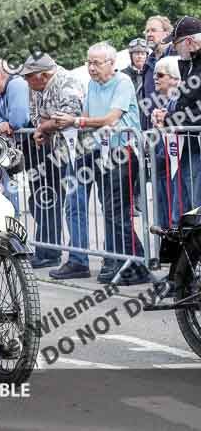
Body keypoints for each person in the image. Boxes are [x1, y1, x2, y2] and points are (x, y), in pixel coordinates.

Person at [52, 42, 149, 285]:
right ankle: (128, 261)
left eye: (96, 63)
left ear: (112, 63)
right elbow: (86, 117)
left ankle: (127, 262)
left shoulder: (123, 82)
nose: (91, 68)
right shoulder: (93, 84)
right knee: (110, 208)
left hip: (123, 150)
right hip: (101, 150)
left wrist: (76, 121)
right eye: (89, 62)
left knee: (117, 209)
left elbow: (110, 119)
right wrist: (66, 122)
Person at [20, 53, 85, 269]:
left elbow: (66, 117)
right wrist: (44, 127)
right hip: (53, 150)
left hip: (78, 151)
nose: (26, 81)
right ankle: (47, 251)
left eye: (29, 77)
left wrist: (42, 128)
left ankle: (76, 258)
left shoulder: (68, 82)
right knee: (43, 200)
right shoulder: (34, 87)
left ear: (44, 75)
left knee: (72, 206)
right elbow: (35, 115)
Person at [155, 16, 201, 218]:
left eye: (177, 44)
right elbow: (187, 105)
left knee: (196, 212)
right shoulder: (189, 64)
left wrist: (169, 119)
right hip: (186, 147)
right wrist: (168, 116)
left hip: (195, 148)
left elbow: (196, 111)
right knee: (183, 214)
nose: (175, 50)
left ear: (189, 41)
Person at [0, 59, 30, 211]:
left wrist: (7, 124)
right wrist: (0, 124)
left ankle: (13, 222)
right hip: (13, 145)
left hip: (27, 146)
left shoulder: (16, 84)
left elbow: (18, 121)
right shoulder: (0, 90)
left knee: (13, 189)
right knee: (6, 188)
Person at [150, 56, 183, 229]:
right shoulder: (170, 100)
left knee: (177, 215)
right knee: (167, 216)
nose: (155, 77)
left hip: (176, 166)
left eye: (160, 74)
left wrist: (163, 123)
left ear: (175, 79)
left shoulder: (178, 99)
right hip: (166, 165)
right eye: (154, 74)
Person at [141, 15, 175, 130]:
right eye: (147, 31)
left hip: (174, 129)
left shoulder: (176, 58)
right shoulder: (147, 64)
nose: (149, 34)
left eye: (153, 30)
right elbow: (146, 101)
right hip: (152, 131)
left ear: (166, 34)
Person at [123, 38, 149, 128]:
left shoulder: (152, 73)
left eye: (143, 53)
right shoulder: (122, 75)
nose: (140, 56)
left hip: (147, 119)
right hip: (129, 121)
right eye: (136, 53)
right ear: (131, 56)